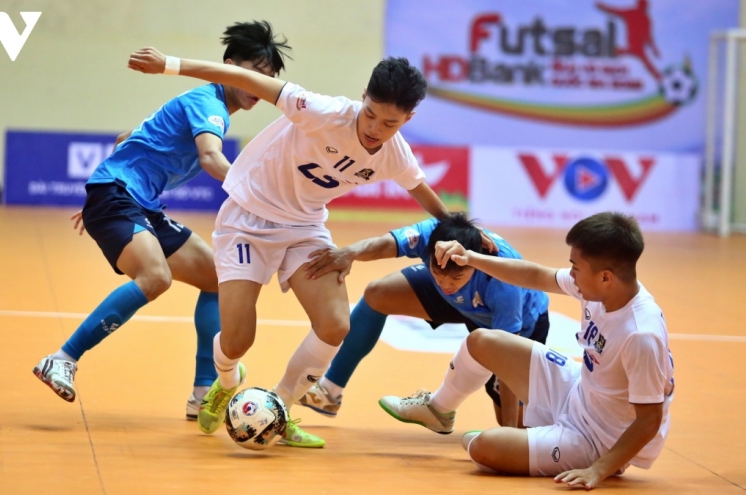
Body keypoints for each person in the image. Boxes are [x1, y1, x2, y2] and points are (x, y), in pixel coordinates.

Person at [127, 46, 451, 448]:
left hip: (304, 228)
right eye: (370, 113)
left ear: (407, 120)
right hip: (248, 218)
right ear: (363, 96)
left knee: (336, 324)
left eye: (390, 123)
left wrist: (462, 233)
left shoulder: (395, 154)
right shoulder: (323, 111)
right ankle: (226, 381)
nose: (374, 128)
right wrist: (170, 65)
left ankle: (279, 409)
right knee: (237, 340)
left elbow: (425, 196)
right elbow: (246, 78)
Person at [32, 21, 292, 423]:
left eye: (269, 77)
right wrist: (261, 195)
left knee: (216, 276)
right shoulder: (209, 104)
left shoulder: (206, 105)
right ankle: (62, 358)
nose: (261, 84)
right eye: (255, 71)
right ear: (229, 66)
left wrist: (103, 190)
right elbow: (210, 158)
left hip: (129, 199)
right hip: (120, 196)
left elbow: (126, 138)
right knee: (155, 278)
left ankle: (203, 390)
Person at [380, 212, 674, 490]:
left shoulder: (640, 335)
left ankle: (547, 440)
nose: (571, 274)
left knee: (481, 447)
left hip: (598, 439)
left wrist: (599, 469)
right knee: (482, 341)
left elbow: (649, 420)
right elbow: (534, 275)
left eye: (575, 267)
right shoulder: (603, 288)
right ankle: (438, 410)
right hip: (578, 388)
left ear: (605, 277)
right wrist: (471, 258)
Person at [297, 213, 550, 429]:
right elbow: (385, 245)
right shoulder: (430, 236)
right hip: (462, 301)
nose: (447, 285)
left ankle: (444, 411)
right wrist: (350, 253)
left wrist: (509, 434)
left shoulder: (502, 280)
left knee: (518, 428)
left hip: (513, 322)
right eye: (439, 275)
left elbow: (507, 355)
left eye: (456, 278)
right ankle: (329, 390)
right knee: (379, 293)